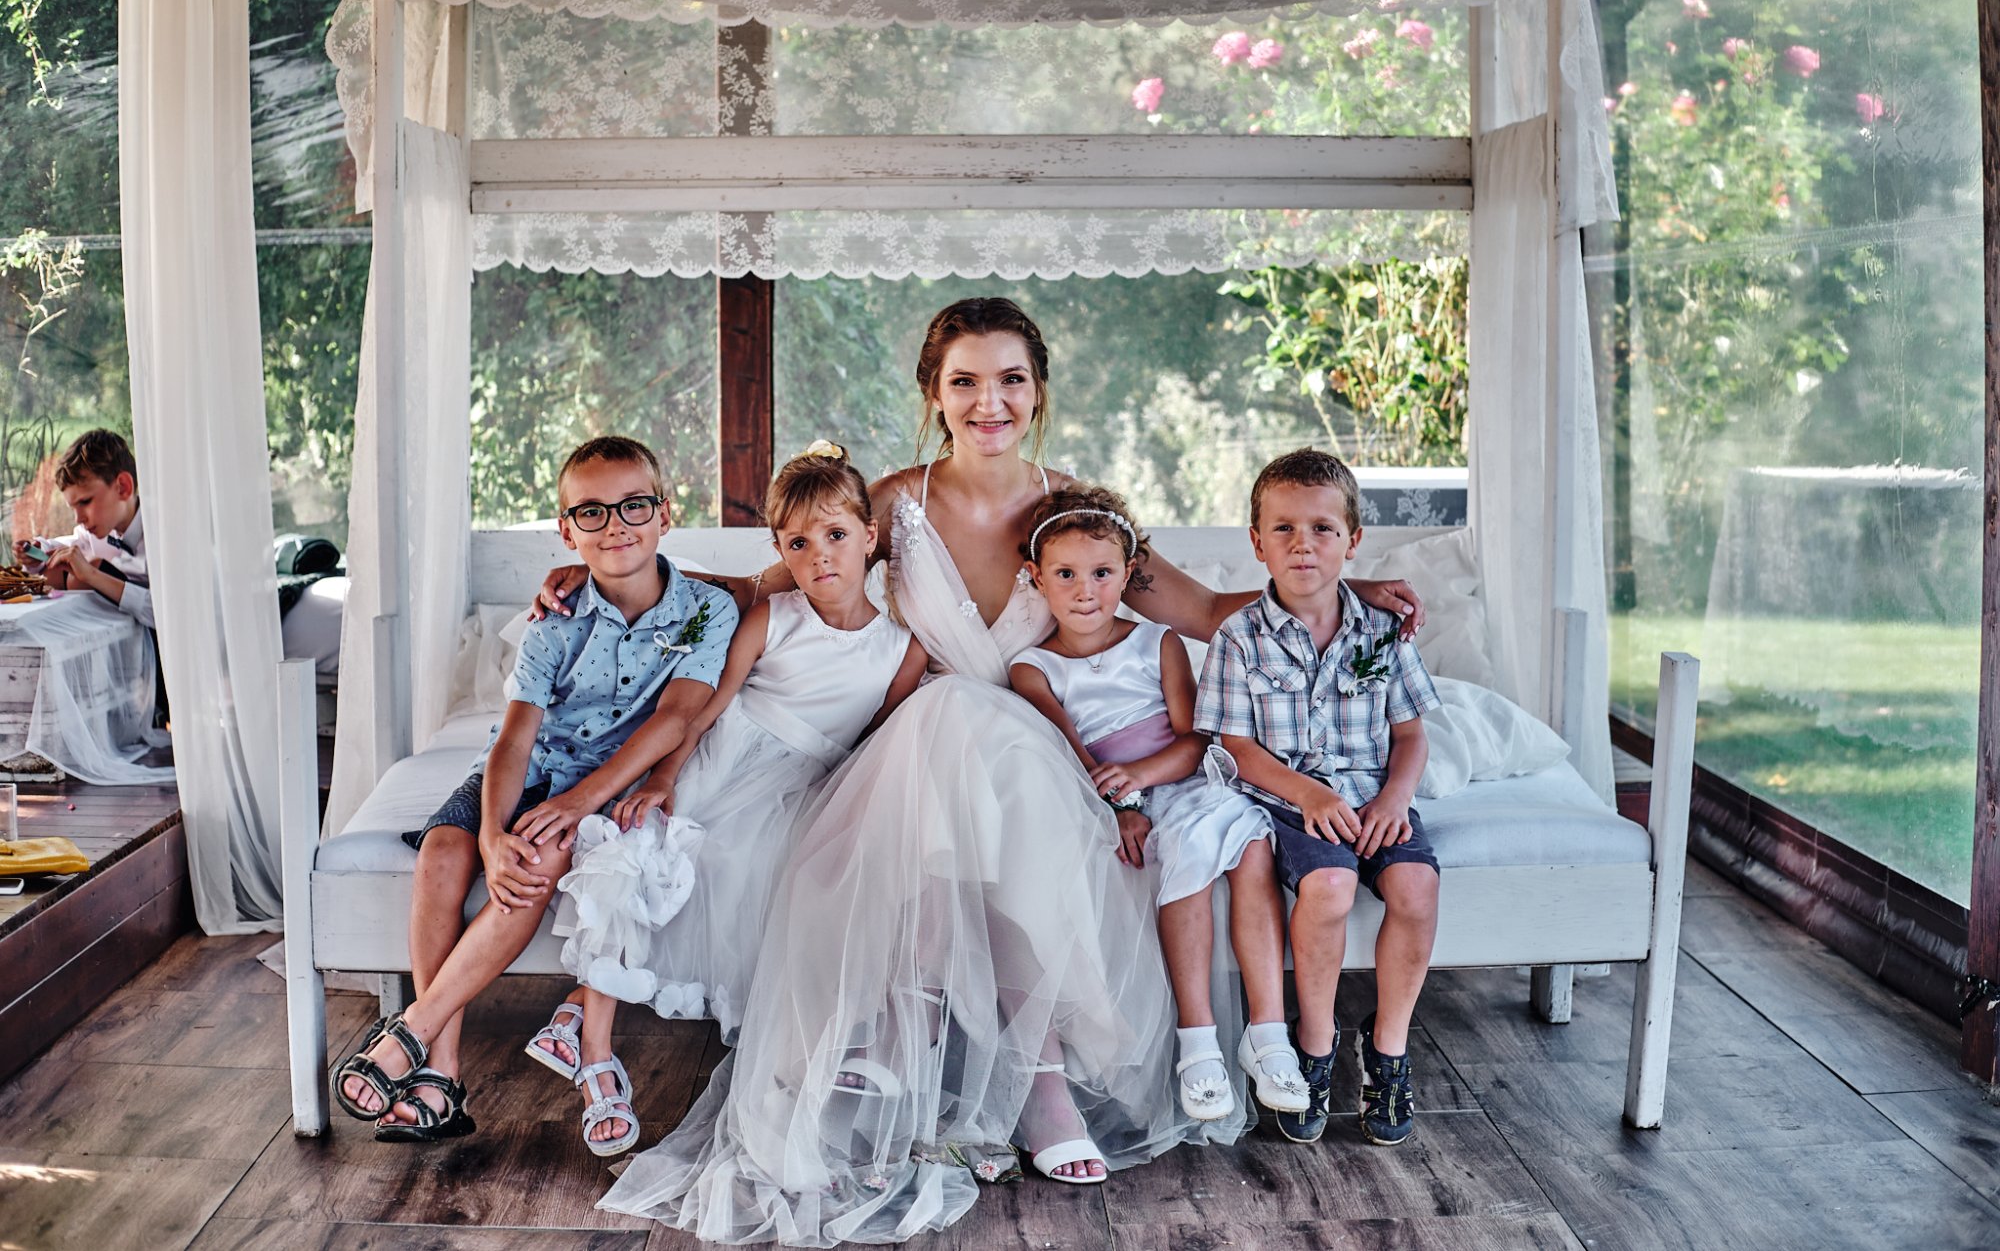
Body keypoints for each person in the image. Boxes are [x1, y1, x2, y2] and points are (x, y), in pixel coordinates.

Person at [529, 299, 1425, 1244]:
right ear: (934, 393)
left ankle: (1033, 1079)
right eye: (964, 381)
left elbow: (1203, 611)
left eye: (1010, 380)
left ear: (1038, 392)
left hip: (1047, 751)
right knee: (956, 726)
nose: (988, 401)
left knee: (1008, 778)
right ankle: (1016, 1079)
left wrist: (1338, 585)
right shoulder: (892, 503)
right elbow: (771, 581)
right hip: (921, 744)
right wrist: (602, 573)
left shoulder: (1076, 511)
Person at [330, 435, 737, 1142]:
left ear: (666, 514)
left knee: (537, 861)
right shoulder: (555, 618)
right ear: (567, 530)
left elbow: (674, 718)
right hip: (530, 766)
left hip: (602, 781)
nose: (616, 525)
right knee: (443, 854)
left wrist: (578, 804)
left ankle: (413, 1031)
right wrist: (491, 832)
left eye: (634, 506)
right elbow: (515, 739)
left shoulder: (707, 610)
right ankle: (442, 1067)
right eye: (591, 512)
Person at [531, 442, 929, 1158]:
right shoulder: (765, 614)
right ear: (778, 551)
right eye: (797, 544)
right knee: (647, 850)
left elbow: (875, 742)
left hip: (804, 782)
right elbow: (700, 703)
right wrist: (662, 778)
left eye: (836, 536)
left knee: (753, 871)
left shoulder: (904, 649)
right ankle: (595, 1052)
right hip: (725, 756)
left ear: (870, 537)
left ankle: (576, 1008)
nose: (820, 557)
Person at [1006, 484, 1306, 1128]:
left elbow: (1197, 740)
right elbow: (1068, 757)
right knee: (1185, 856)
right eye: (1065, 574)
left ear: (1128, 575)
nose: (1085, 591)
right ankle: (1198, 1043)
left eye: (1102, 573)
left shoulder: (1158, 643)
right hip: (1106, 799)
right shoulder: (1032, 669)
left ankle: (1268, 1033)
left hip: (1182, 779)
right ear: (1035, 577)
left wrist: (1142, 775)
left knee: (1251, 840)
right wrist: (1121, 805)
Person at [1194, 448, 1441, 1148]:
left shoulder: (1382, 630)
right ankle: (1314, 1042)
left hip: (1373, 794)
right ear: (1257, 543)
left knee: (1417, 885)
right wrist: (1307, 792)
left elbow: (1411, 735)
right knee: (1330, 885)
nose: (1303, 544)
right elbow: (1236, 748)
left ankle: (1388, 1050)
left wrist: (1395, 799)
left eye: (1323, 529)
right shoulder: (1239, 637)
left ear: (1352, 541)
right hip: (1288, 797)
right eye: (1284, 529)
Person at [17, 429, 154, 630]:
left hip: (159, 642)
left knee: (87, 570)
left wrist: (92, 575)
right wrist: (36, 552)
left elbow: (172, 617)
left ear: (123, 487)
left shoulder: (166, 535)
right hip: (116, 630)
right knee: (57, 568)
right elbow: (59, 547)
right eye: (73, 508)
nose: (78, 518)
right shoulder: (95, 531)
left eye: (85, 502)